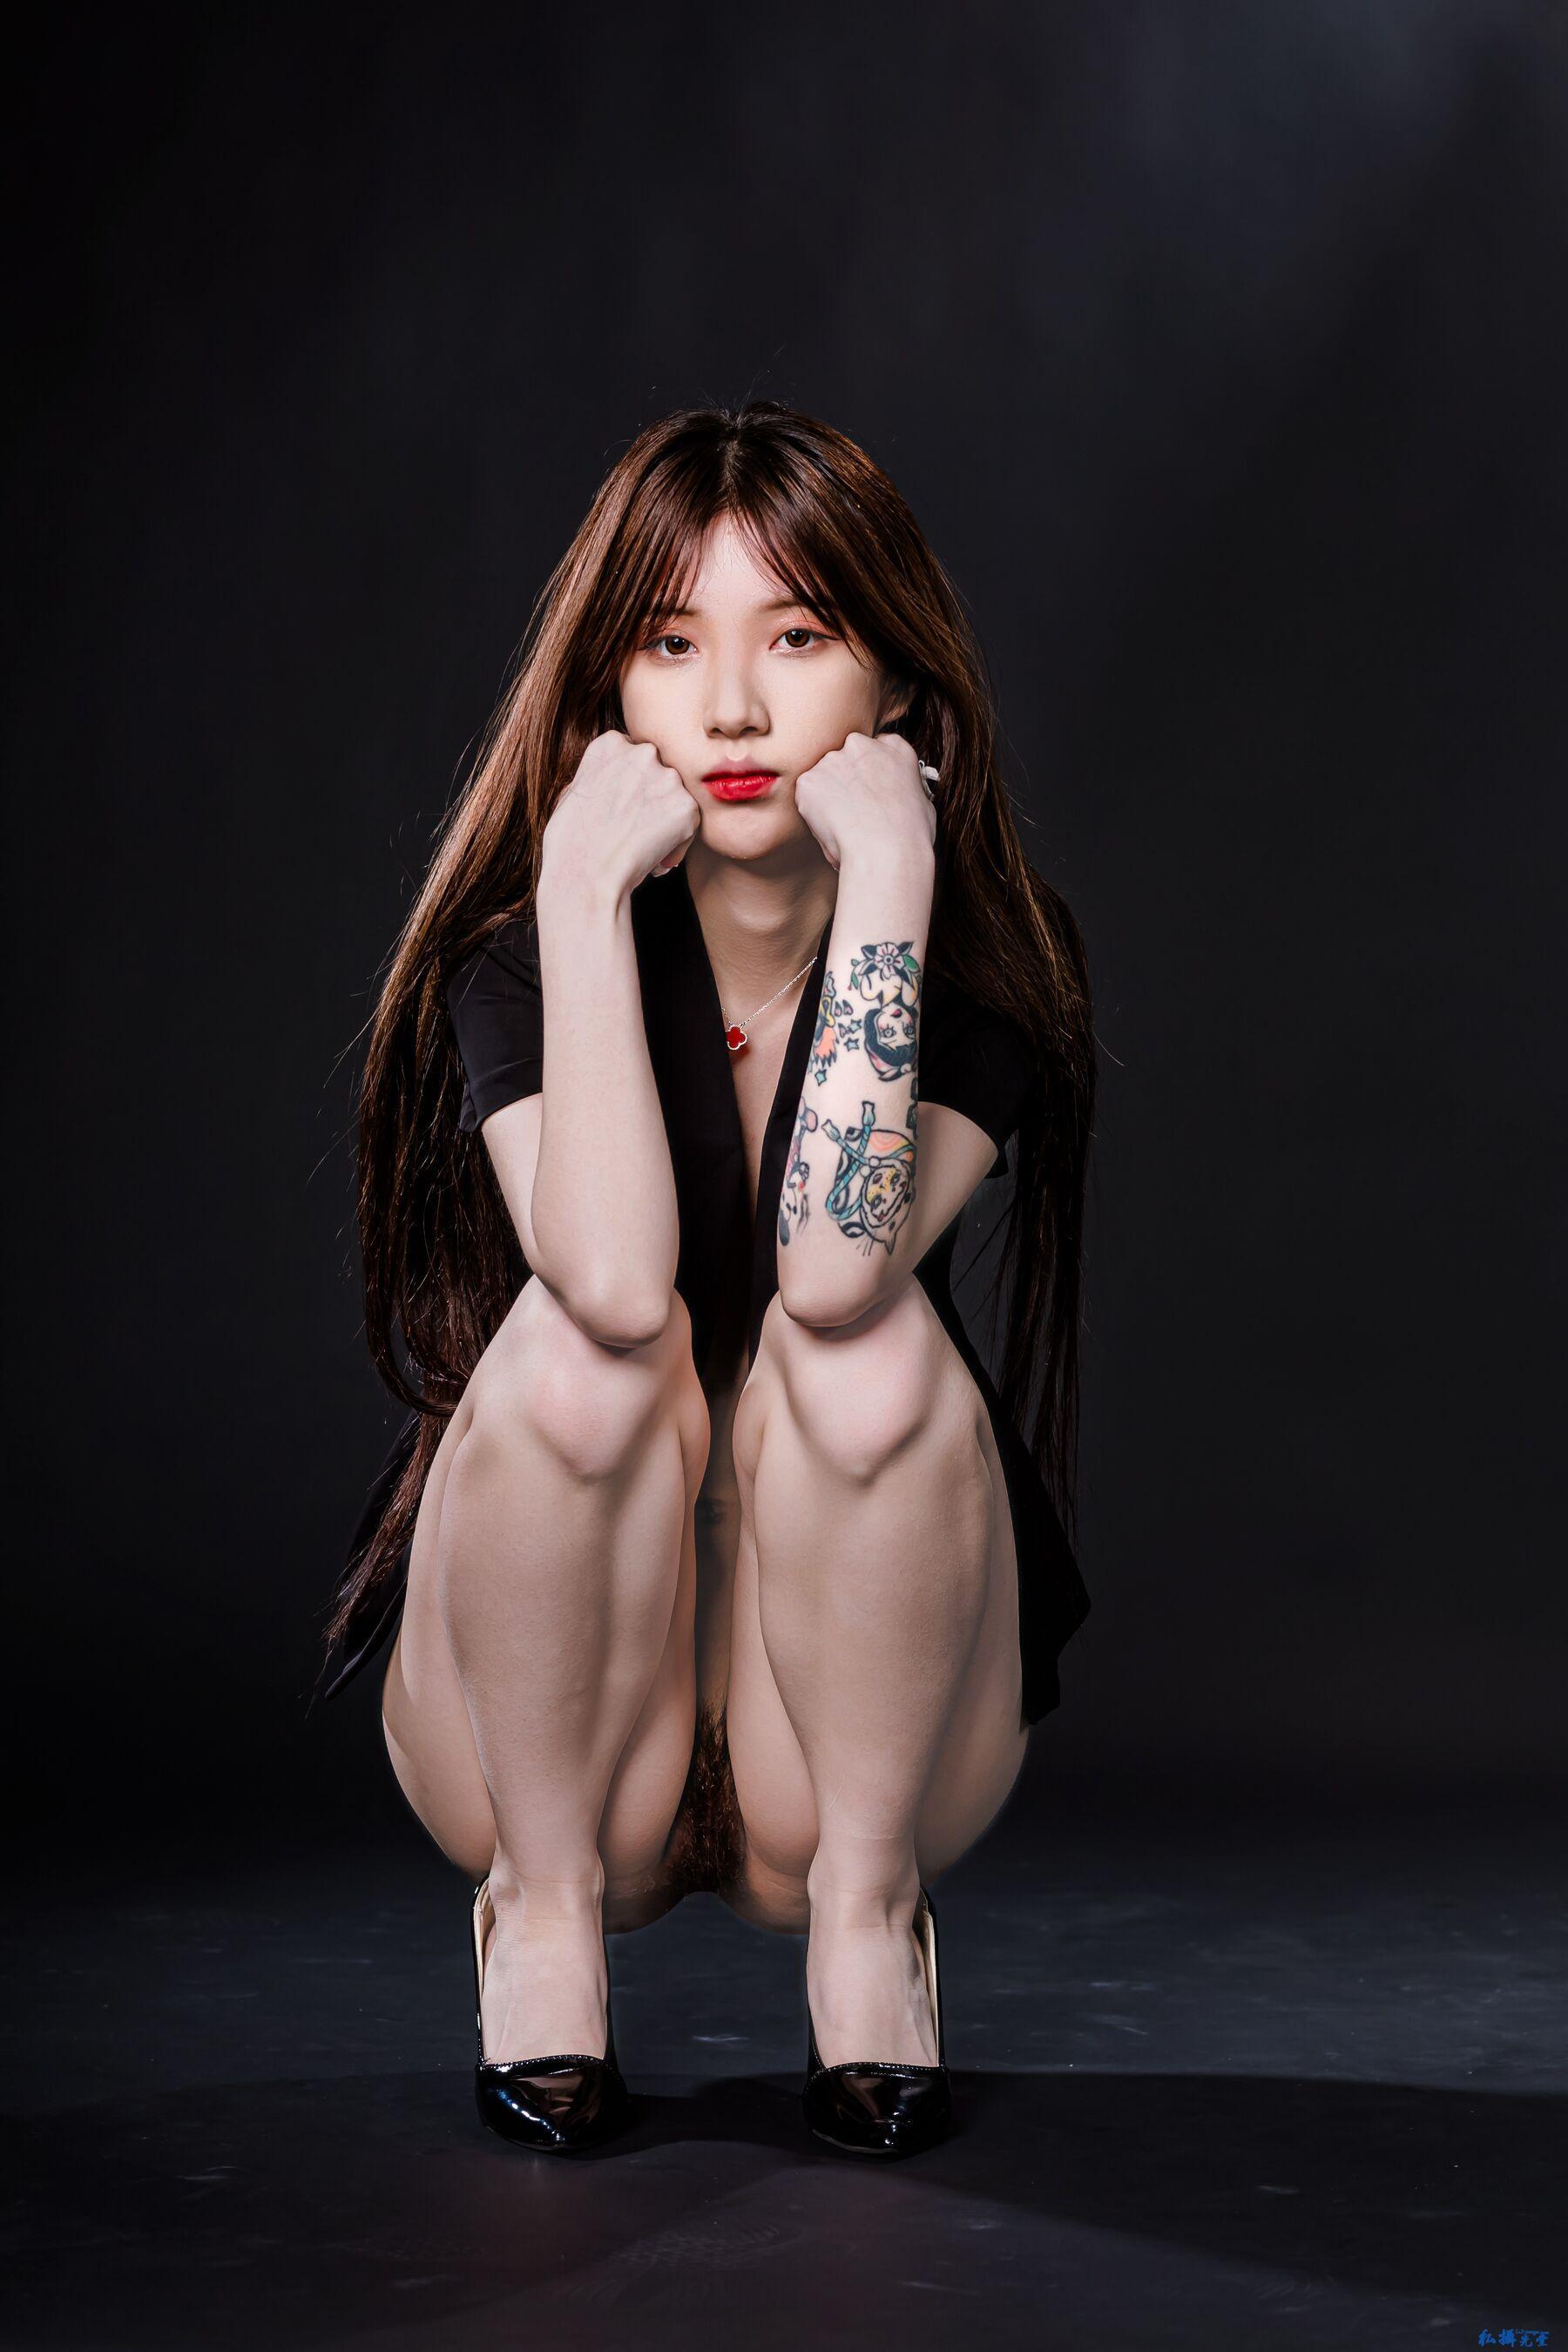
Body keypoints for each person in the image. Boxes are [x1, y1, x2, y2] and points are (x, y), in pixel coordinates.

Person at [312, 400, 1095, 2159]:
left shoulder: (980, 977)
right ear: (609, 690)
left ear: (894, 683)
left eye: (798, 639)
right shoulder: (525, 961)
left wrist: (891, 882)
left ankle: (871, 1922)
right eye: (670, 645)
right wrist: (582, 905)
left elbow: (833, 1269)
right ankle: (540, 1919)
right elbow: (604, 1280)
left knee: (863, 1350)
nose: (732, 709)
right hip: (557, 1734)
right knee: (591, 1348)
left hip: (854, 1740)